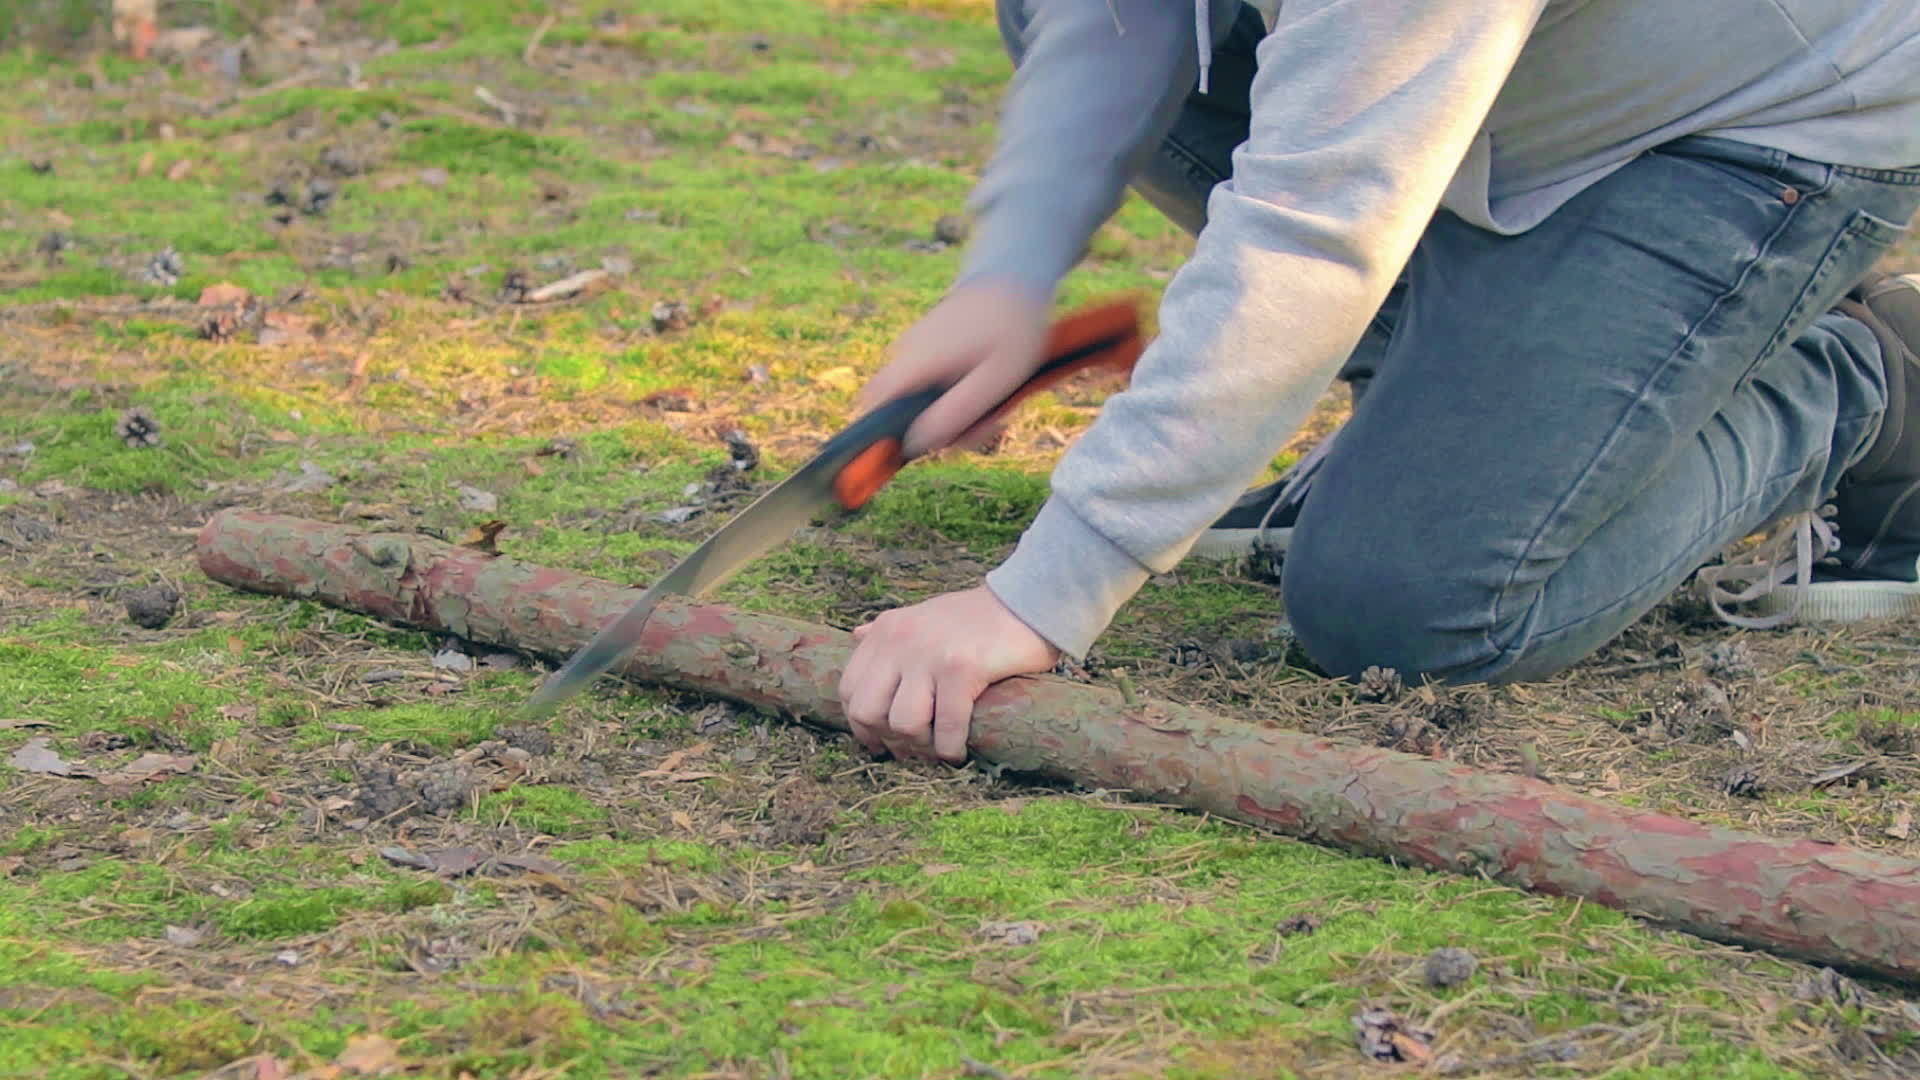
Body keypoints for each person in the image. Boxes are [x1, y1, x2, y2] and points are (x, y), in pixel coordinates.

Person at [837, 0, 1920, 764]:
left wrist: (1046, 592)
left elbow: (1317, 221)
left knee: (1411, 610)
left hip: (1749, 120)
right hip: (1487, 77)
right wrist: (1009, 276)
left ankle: (1864, 378)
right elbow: (1121, 15)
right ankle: (1452, 398)